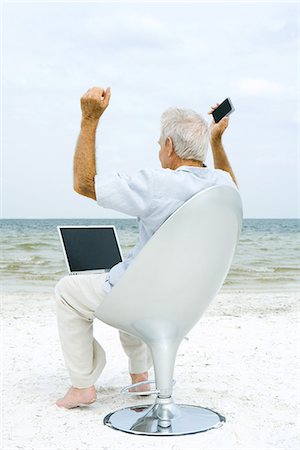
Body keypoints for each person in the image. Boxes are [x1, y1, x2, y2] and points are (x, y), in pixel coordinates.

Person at [55, 86, 238, 409]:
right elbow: (230, 185)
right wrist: (217, 142)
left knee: (68, 291)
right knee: (138, 277)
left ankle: (82, 385)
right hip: (185, 301)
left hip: (145, 299)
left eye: (159, 144)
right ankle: (140, 378)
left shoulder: (158, 184)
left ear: (169, 146)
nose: (158, 151)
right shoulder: (221, 186)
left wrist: (89, 119)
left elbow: (84, 184)